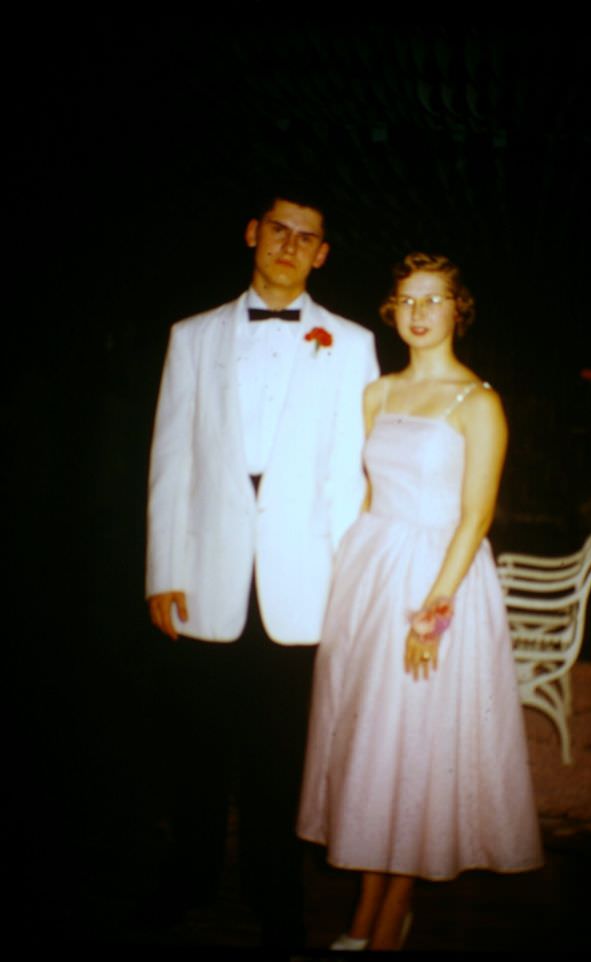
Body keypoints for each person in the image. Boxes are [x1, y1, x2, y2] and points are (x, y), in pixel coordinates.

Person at [145, 188, 379, 947]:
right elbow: (170, 460)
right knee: (196, 747)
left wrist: (347, 585)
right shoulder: (192, 336)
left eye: (305, 236)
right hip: (203, 574)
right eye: (277, 228)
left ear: (322, 254)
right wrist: (160, 570)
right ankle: (191, 875)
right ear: (252, 234)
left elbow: (350, 475)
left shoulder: (350, 344)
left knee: (282, 752)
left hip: (300, 586)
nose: (288, 243)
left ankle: (276, 891)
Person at [297, 252, 543, 951]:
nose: (418, 312)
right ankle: (371, 913)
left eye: (434, 300)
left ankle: (383, 929)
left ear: (457, 310)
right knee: (373, 747)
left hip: (437, 582)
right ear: (392, 309)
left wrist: (432, 613)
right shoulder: (377, 394)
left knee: (412, 751)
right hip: (371, 577)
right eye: (407, 299)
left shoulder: (479, 402)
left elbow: (475, 519)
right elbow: (365, 497)